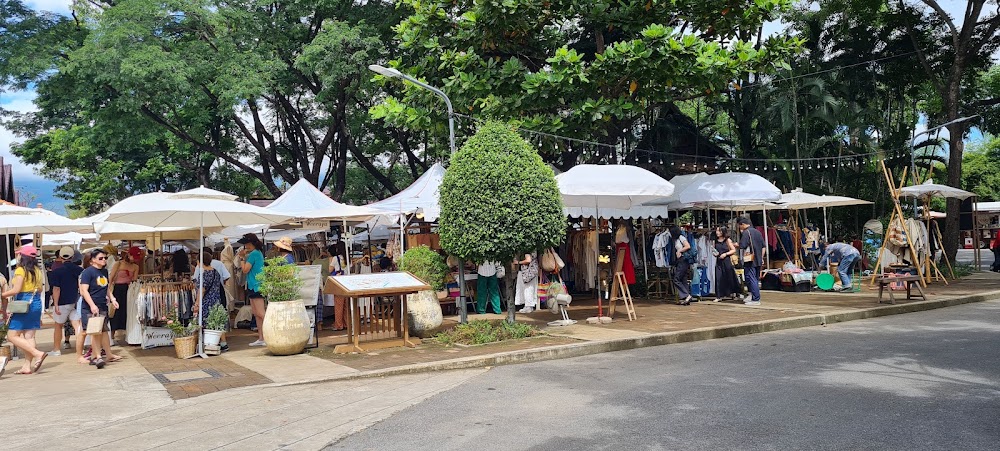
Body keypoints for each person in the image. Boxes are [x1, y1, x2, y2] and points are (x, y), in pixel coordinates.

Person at [1, 245, 48, 374]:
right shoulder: (38, 270)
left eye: (19, 254)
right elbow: (40, 289)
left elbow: (16, 290)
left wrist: (3, 295)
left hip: (23, 303)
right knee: (29, 335)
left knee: (12, 335)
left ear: (23, 256)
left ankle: (37, 353)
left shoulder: (21, 270)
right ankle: (27, 366)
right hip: (36, 302)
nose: (17, 256)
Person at [80, 248, 122, 369]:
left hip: (102, 304)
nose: (104, 260)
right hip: (91, 307)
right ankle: (97, 356)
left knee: (103, 331)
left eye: (105, 258)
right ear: (93, 260)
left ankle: (108, 354)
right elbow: (84, 291)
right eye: (101, 258)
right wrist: (92, 305)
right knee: (95, 332)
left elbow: (106, 288)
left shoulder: (104, 272)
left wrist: (112, 299)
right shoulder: (88, 272)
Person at [48, 247, 84, 356]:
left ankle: (56, 349)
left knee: (58, 325)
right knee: (77, 324)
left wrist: (56, 303)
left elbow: (56, 289)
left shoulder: (57, 271)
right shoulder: (80, 270)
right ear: (73, 257)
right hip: (76, 300)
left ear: (60, 257)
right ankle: (80, 348)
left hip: (63, 301)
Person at [238, 233, 267, 347]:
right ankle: (261, 337)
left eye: (246, 243)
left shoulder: (254, 254)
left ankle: (268, 335)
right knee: (256, 313)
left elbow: (245, 270)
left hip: (256, 285)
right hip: (253, 285)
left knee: (260, 313)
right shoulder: (257, 253)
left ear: (250, 243)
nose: (245, 246)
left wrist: (241, 258)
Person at [108, 248, 139, 340]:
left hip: (128, 290)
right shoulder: (118, 264)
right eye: (133, 256)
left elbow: (134, 280)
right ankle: (112, 334)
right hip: (117, 289)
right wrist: (109, 292)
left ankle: (127, 333)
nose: (134, 259)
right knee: (115, 312)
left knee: (127, 311)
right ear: (129, 255)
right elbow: (111, 278)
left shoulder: (135, 267)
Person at [737, 218, 766, 306]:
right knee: (755, 279)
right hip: (758, 259)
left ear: (743, 224)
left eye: (739, 225)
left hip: (750, 260)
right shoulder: (758, 232)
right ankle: (752, 295)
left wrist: (735, 245)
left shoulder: (746, 232)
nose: (739, 227)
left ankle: (755, 299)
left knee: (751, 278)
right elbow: (763, 246)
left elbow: (742, 245)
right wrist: (761, 257)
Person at [712, 227, 742, 301]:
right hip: (719, 261)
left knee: (730, 276)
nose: (717, 232)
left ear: (723, 232)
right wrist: (715, 253)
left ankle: (735, 293)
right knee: (718, 277)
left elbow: (733, 250)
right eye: (717, 231)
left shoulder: (727, 240)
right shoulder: (715, 241)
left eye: (719, 231)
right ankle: (719, 295)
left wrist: (725, 254)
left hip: (727, 260)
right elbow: (714, 250)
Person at [670, 226, 693, 306]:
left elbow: (688, 246)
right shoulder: (676, 239)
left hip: (683, 260)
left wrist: (680, 250)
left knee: (676, 279)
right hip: (681, 260)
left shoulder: (681, 237)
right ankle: (685, 298)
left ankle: (686, 295)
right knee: (683, 279)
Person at [328, 243, 348, 331]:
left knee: (339, 305)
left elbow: (330, 270)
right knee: (346, 306)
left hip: (338, 283)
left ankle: (339, 324)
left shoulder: (336, 258)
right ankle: (347, 323)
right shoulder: (348, 258)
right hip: (347, 283)